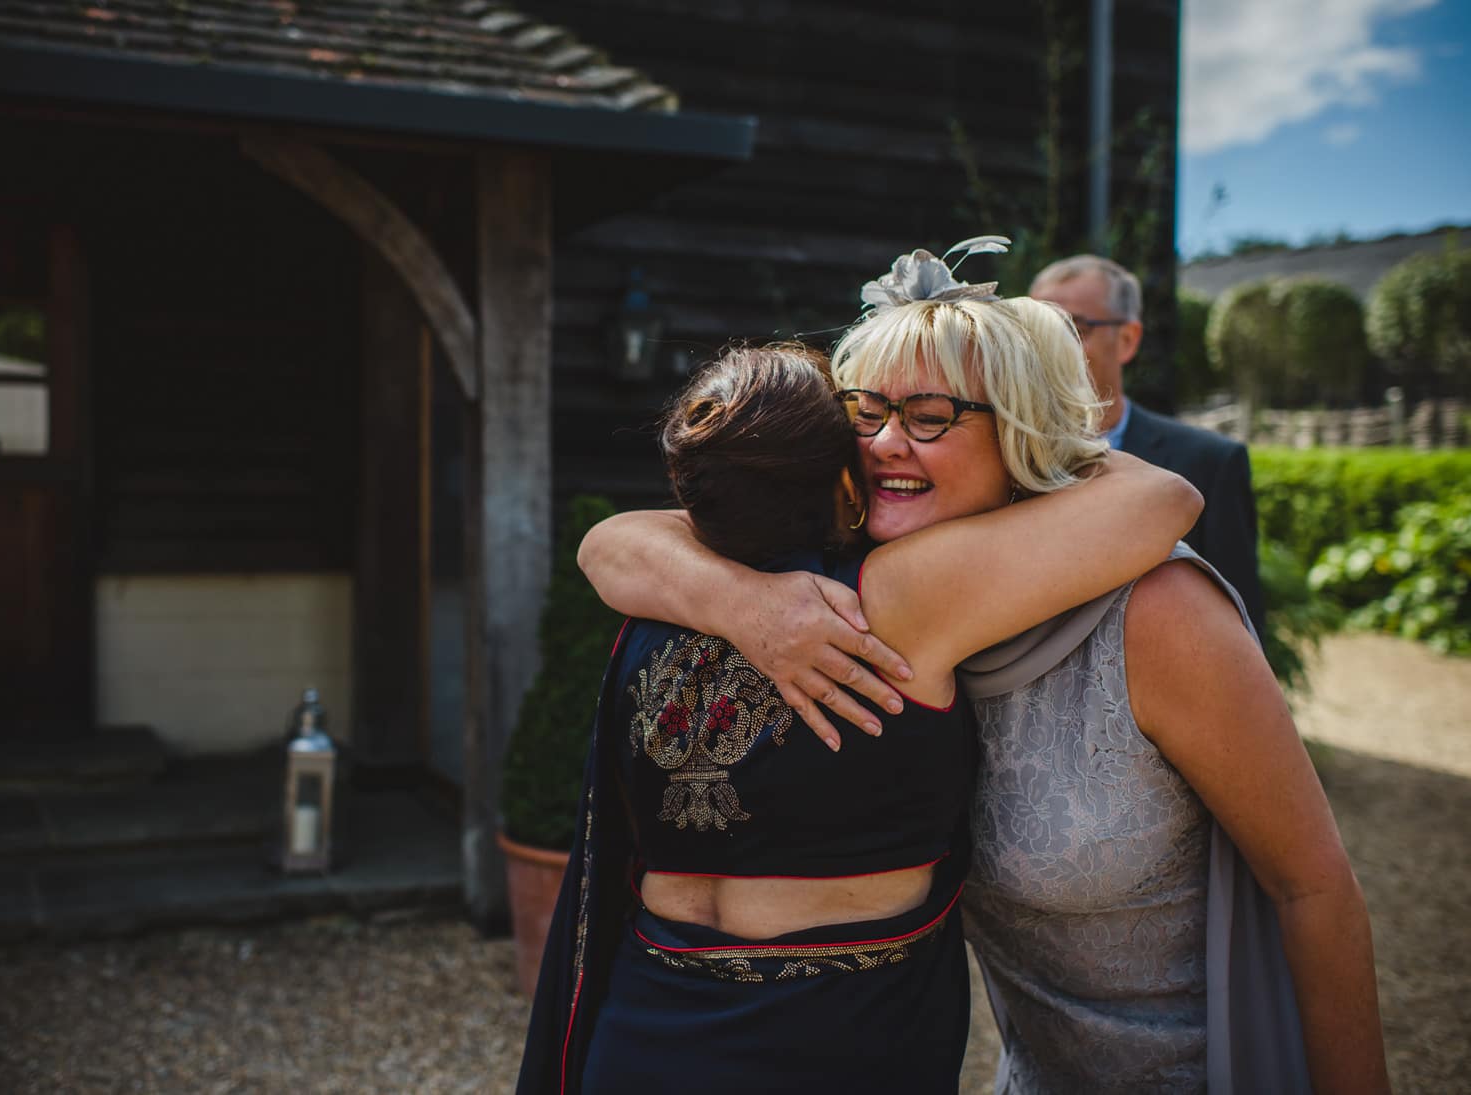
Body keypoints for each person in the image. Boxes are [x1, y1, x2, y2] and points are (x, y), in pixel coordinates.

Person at [575, 246, 1390, 1093]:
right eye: (866, 409)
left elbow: (1314, 887)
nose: (887, 440)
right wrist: (747, 604)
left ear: (1019, 432)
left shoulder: (1157, 613)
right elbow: (614, 542)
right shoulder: (849, 588)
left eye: (930, 414)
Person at [516, 312, 1205, 1093]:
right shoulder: (896, 601)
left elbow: (604, 541)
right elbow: (1164, 498)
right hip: (833, 1038)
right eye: (864, 418)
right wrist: (1040, 427)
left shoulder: (649, 613)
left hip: (642, 1027)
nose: (882, 442)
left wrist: (737, 596)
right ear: (838, 467)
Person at [1029, 254, 1266, 636]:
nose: (1049, 349)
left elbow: (1241, 619)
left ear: (1126, 340)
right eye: (1036, 330)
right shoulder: (1004, 456)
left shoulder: (1210, 463)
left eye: (1074, 328)